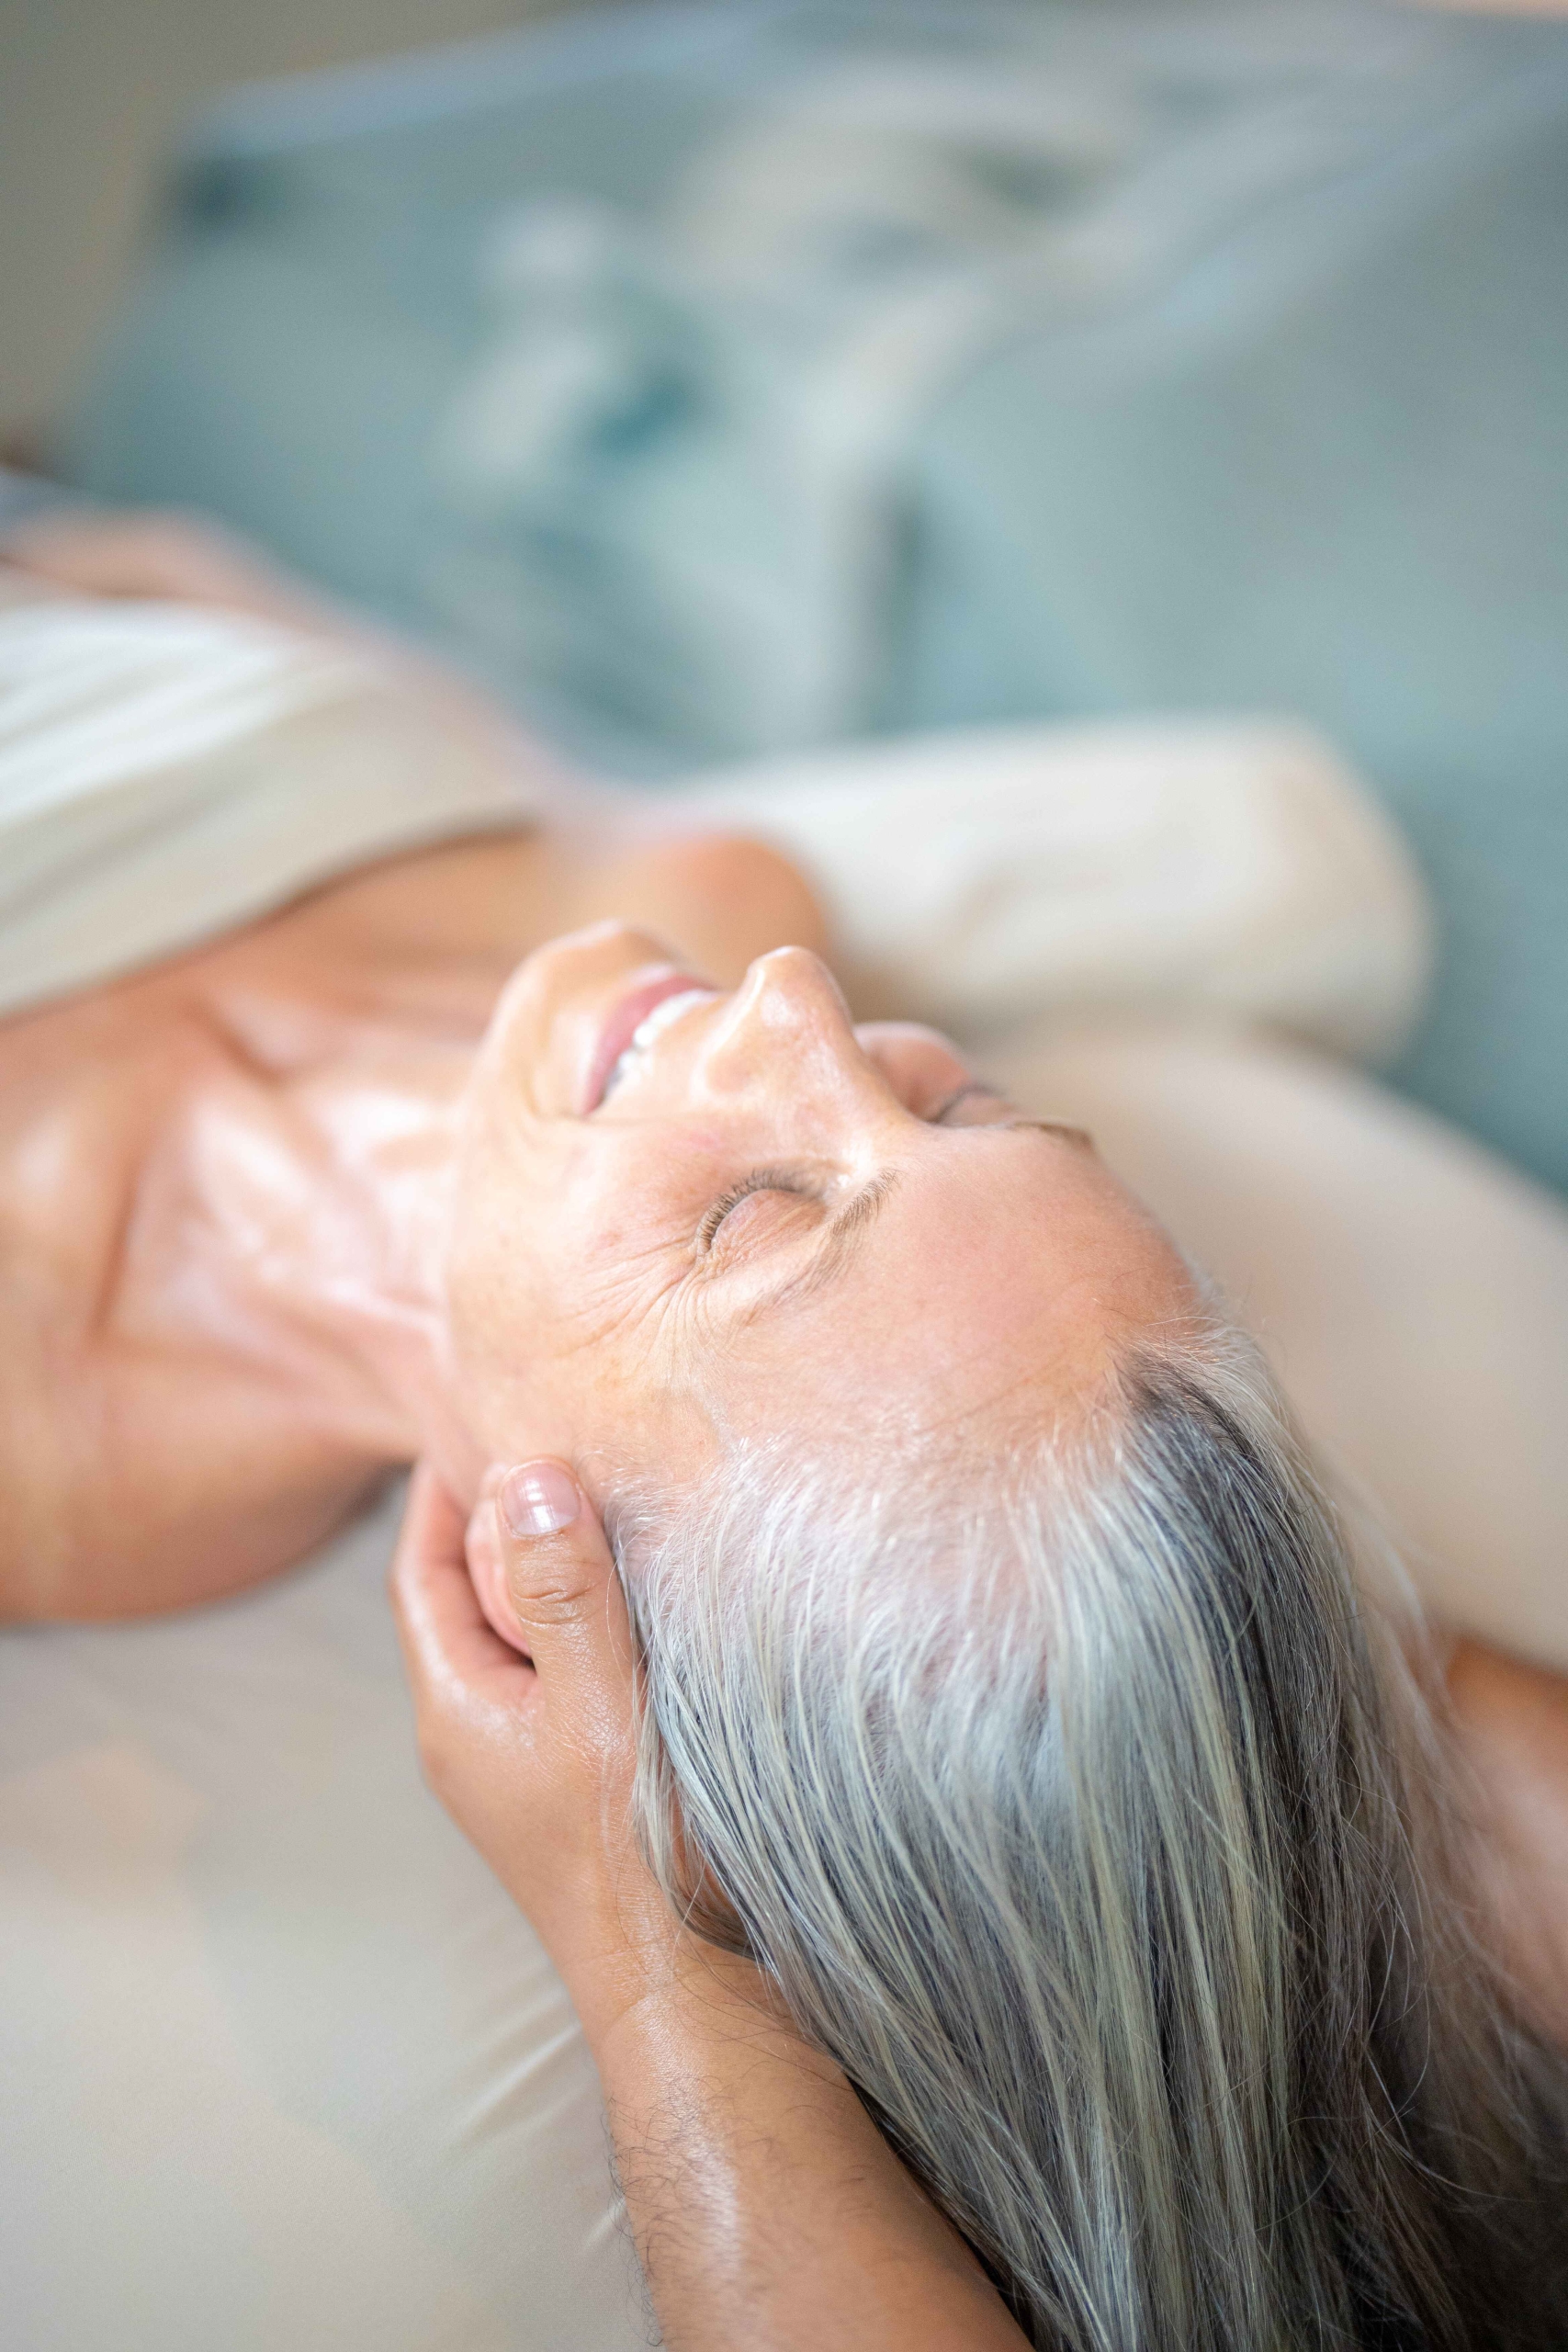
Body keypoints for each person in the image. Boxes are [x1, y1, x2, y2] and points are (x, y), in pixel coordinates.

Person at [3, 513, 1566, 2347]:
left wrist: (642, 1924)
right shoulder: (714, 901)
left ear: (547, 1566)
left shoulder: (49, 1443)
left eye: (757, 1215)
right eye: (959, 1104)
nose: (805, 1016)